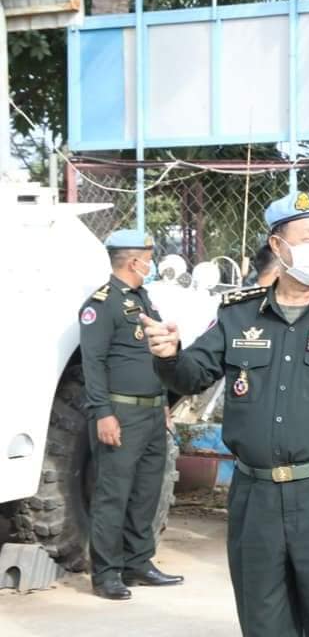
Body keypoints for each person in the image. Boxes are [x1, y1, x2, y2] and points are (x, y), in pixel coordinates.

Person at [141, 191, 309, 637]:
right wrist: (169, 356)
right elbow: (192, 375)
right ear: (279, 246)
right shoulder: (238, 315)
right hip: (256, 497)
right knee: (263, 621)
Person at [79, 229, 183, 601]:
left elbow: (150, 356)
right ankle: (106, 573)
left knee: (145, 493)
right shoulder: (102, 303)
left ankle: (138, 563)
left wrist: (164, 403)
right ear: (135, 261)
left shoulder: (143, 299)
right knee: (113, 495)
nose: (151, 264)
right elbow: (93, 363)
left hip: (152, 412)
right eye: (149, 258)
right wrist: (103, 414)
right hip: (121, 413)